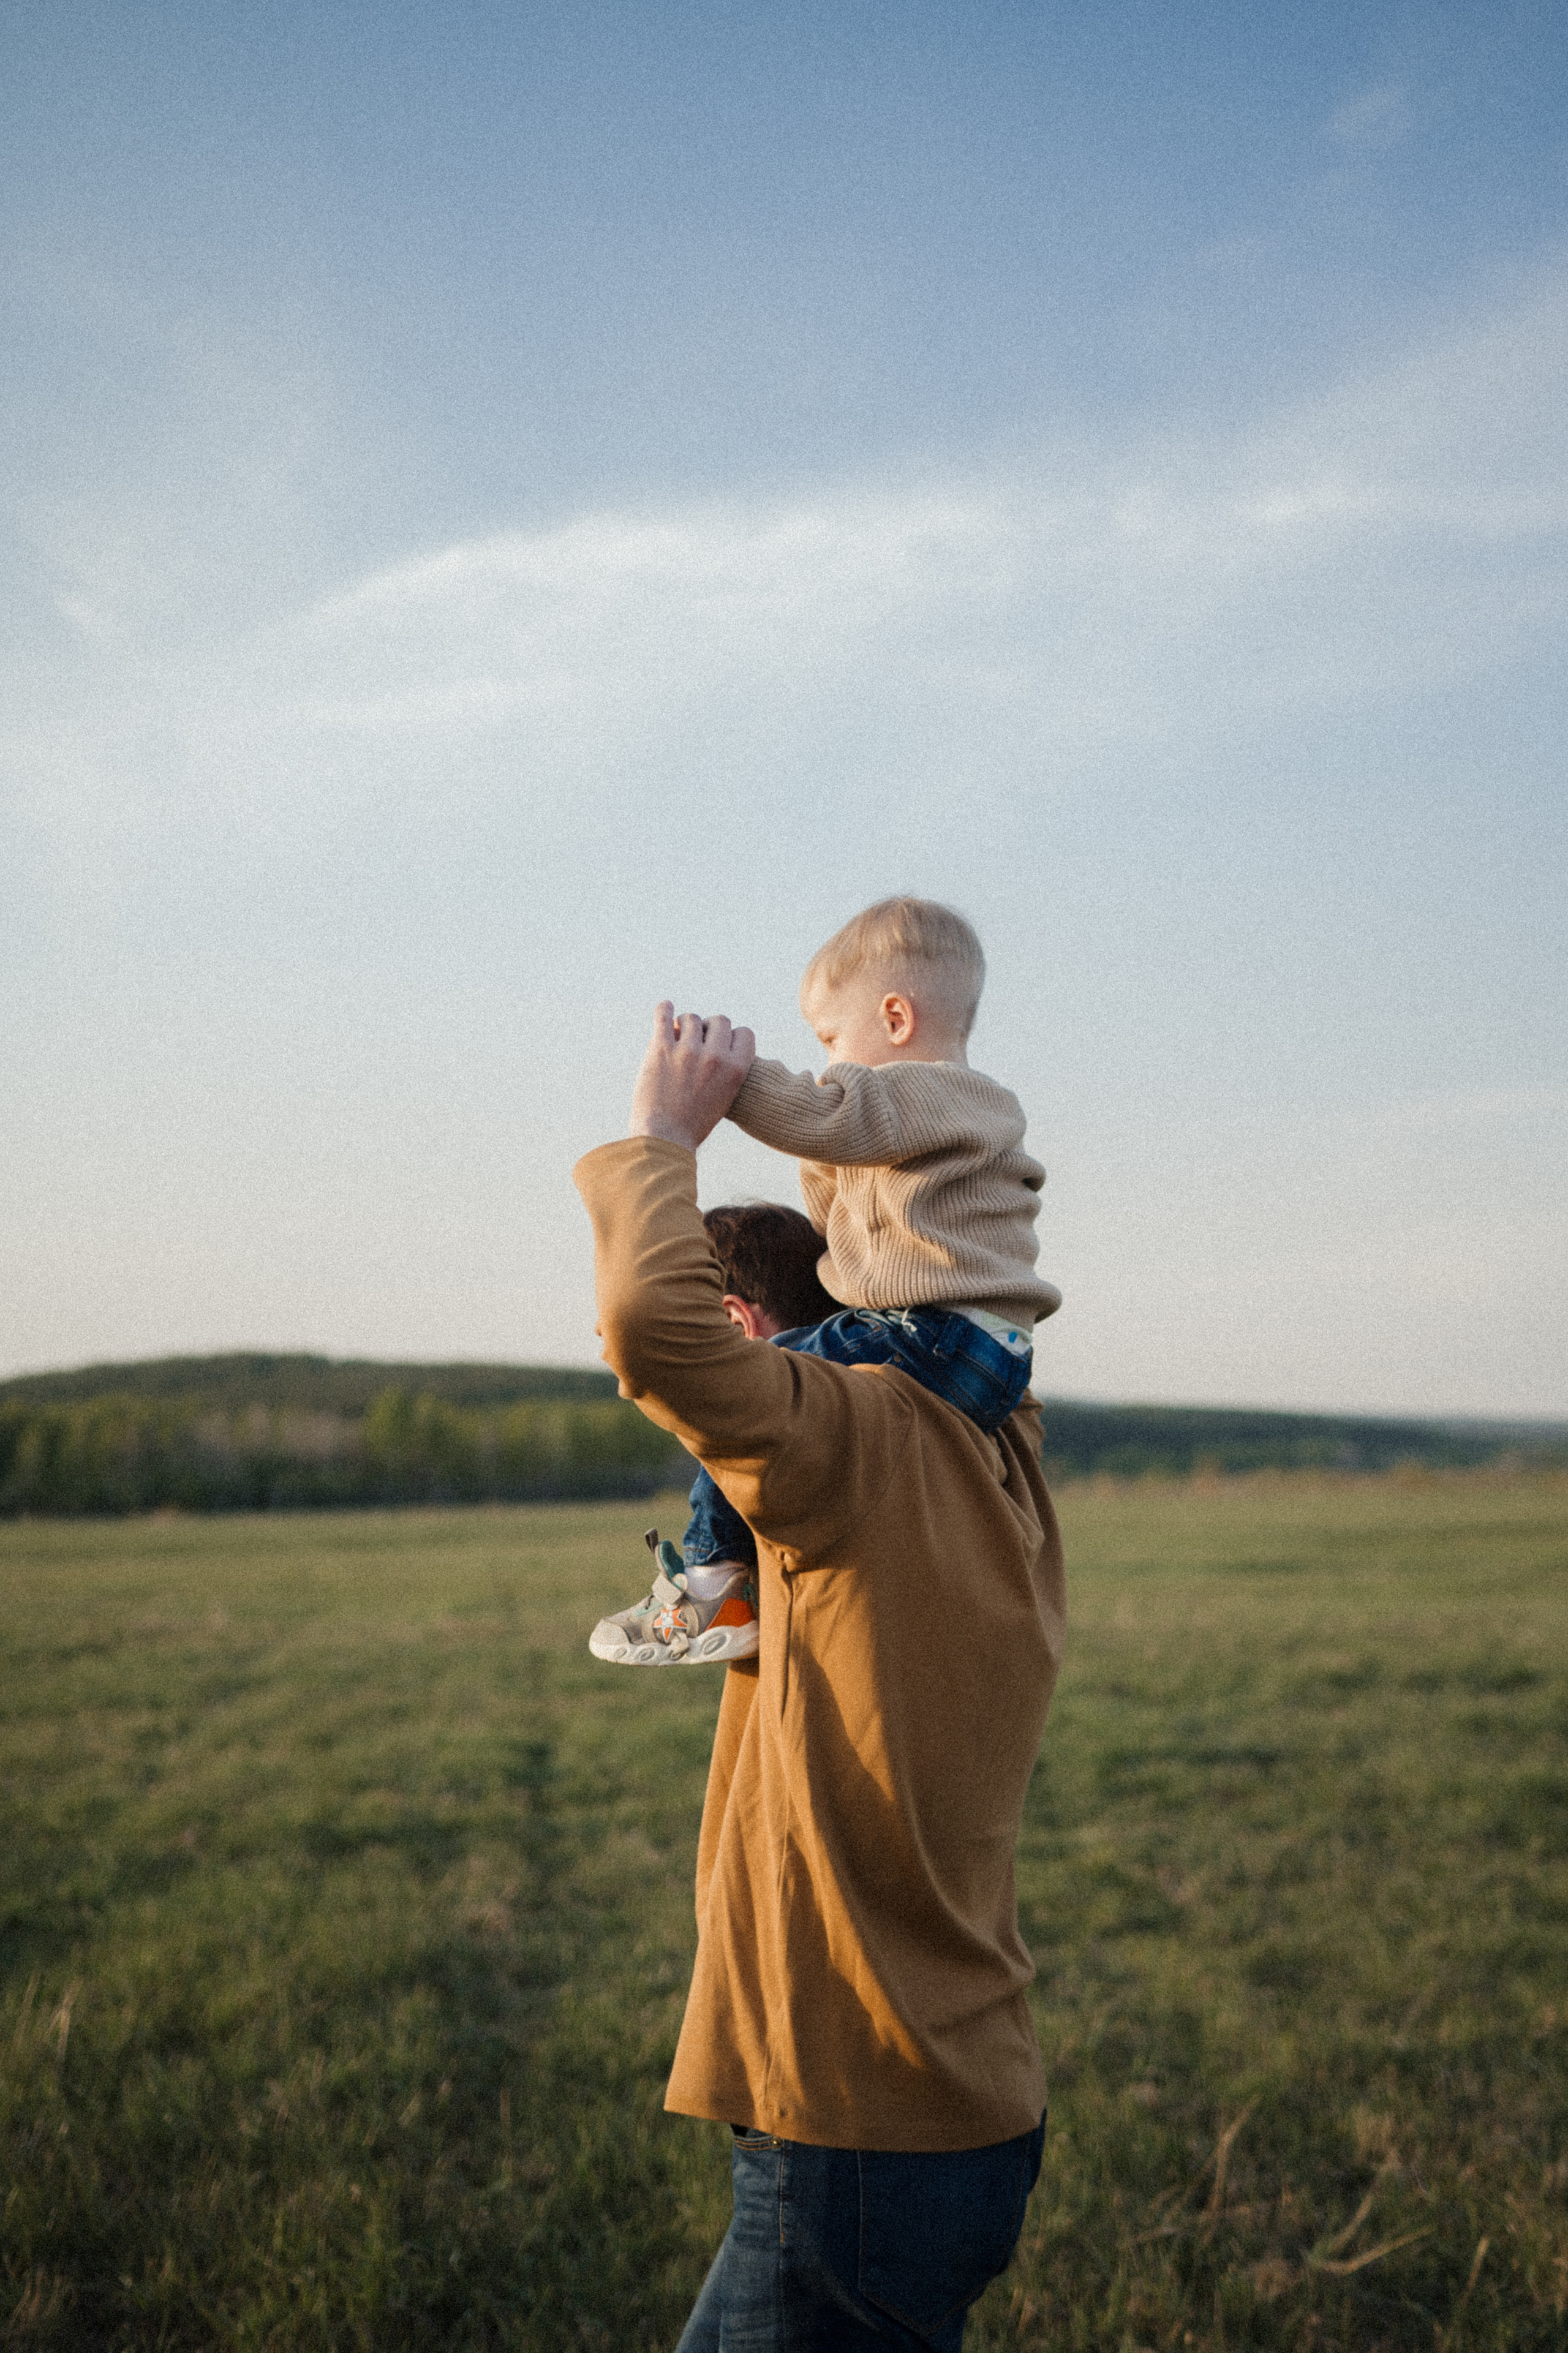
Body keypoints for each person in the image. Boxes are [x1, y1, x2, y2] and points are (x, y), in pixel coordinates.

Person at [572, 1001, 1067, 2351]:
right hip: (964, 2099)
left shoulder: (850, 1438)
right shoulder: (1001, 1433)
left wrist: (662, 1136)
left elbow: (654, 1331)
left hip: (855, 2128)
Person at [588, 896, 1063, 1670]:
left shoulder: (925, 1088)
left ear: (897, 1018)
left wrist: (730, 1082)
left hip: (930, 1333)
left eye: (833, 1039)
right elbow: (841, 1217)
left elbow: (825, 1114)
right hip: (985, 1351)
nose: (828, 1063)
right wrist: (828, 1150)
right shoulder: (949, 1127)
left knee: (748, 1396)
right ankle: (723, 1577)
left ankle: (710, 1579)